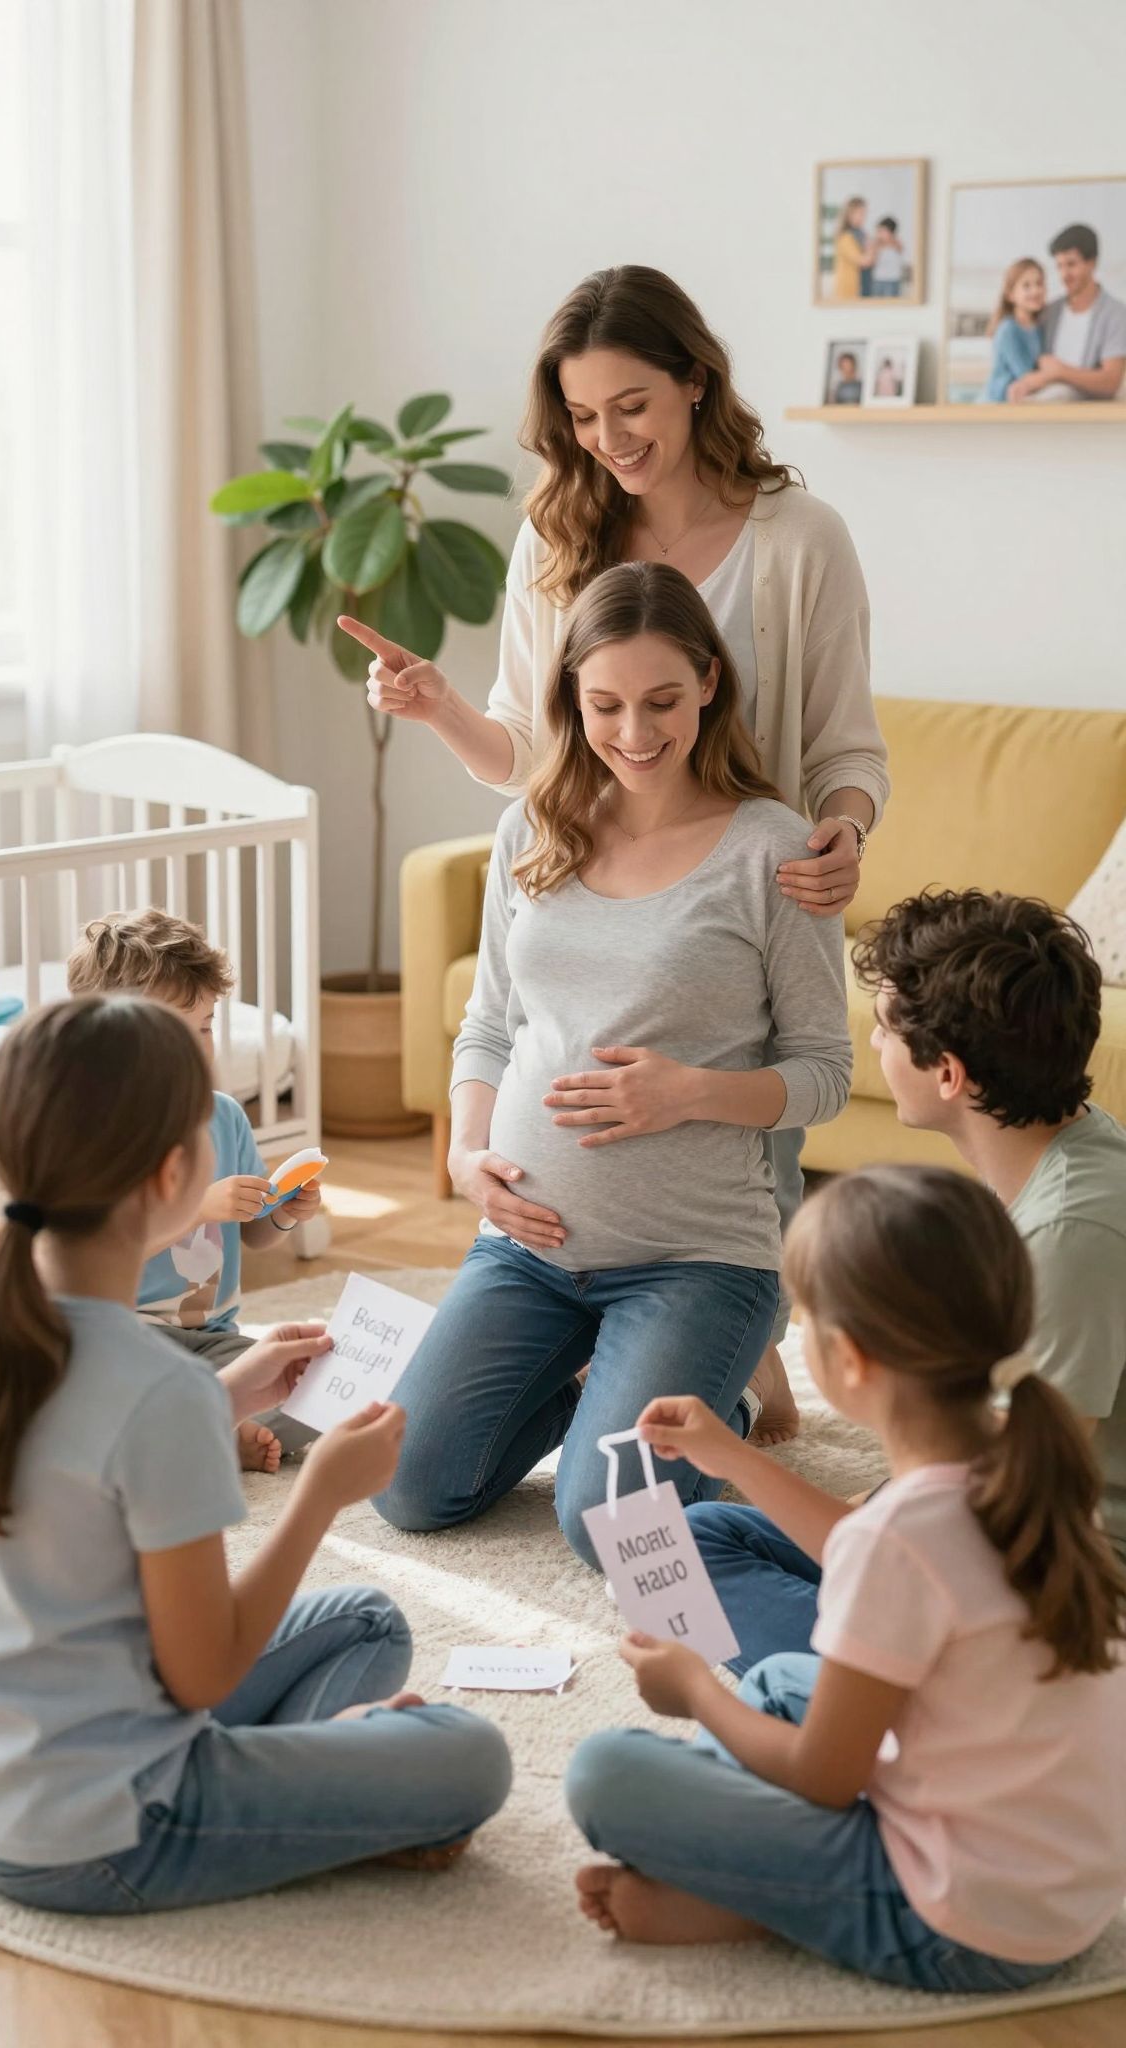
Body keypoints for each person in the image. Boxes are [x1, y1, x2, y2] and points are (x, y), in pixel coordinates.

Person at [340, 264, 889, 1443]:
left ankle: (719, 1342)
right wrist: (440, 707)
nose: (609, 439)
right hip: (603, 875)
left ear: (696, 381)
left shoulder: (799, 540)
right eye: (583, 418)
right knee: (426, 1463)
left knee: (735, 1176)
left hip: (753, 894)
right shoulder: (559, 530)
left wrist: (842, 827)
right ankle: (693, 1360)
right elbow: (535, 760)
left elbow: (847, 742)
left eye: (631, 406)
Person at [0, 996, 511, 1915]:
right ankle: (324, 1790)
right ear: (179, 1170)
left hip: (3, 1791)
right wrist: (322, 1498)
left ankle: (318, 1777)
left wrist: (225, 1393)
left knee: (370, 1620)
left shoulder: (8, 1335)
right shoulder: (155, 1389)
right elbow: (204, 1674)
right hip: (113, 1829)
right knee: (474, 1754)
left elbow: (80, 1466)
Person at [371, 563, 851, 1568]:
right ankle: (604, 1371)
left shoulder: (775, 850)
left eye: (662, 700)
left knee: (608, 1526)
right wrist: (466, 1151)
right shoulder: (528, 831)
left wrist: (689, 1090)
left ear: (710, 683)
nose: (635, 730)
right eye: (605, 704)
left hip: (696, 1259)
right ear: (571, 699)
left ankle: (700, 1372)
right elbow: (490, 1025)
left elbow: (824, 1071)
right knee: (410, 1486)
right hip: (528, 1249)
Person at [566, 1166, 1126, 1990]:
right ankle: (765, 1880)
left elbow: (825, 1781)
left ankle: (751, 1902)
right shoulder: (1026, 1466)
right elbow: (873, 1551)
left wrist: (695, 1692)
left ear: (851, 1360)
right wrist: (726, 1454)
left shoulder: (901, 1535)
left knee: (606, 1773)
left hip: (958, 1924)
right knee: (789, 1675)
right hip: (1061, 1894)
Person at [686, 888, 1126, 1680]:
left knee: (697, 1572)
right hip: (988, 1522)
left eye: (886, 1030)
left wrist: (867, 1536)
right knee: (703, 1538)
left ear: (948, 1073)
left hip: (1068, 1580)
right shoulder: (1072, 1149)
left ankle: (904, 1690)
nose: (875, 1045)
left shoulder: (1070, 1234)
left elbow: (1015, 1503)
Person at [67, 911, 323, 1472]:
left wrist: (282, 1214)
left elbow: (253, 1238)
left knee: (316, 1383)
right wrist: (196, 1209)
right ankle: (209, 1429)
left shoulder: (223, 1117)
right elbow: (93, 1258)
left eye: (204, 1027)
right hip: (122, 1340)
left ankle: (205, 1424)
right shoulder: (94, 1131)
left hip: (213, 1344)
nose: (197, 1047)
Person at [1008, 224, 1126, 403]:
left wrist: (1060, 372)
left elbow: (1111, 381)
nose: (1064, 274)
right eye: (1059, 266)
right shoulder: (1050, 312)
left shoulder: (1115, 314)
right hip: (1044, 401)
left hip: (1080, 411)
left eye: (1071, 264)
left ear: (1091, 263)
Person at [984, 258, 1047, 402]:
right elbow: (1025, 375)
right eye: (1027, 286)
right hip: (999, 404)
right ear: (1011, 295)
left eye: (1039, 283)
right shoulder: (1009, 330)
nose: (1036, 290)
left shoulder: (1038, 328)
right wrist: (1057, 373)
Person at [831, 199, 876, 301]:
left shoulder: (861, 235)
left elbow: (872, 262)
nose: (863, 217)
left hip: (862, 288)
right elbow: (865, 261)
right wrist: (872, 246)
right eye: (860, 213)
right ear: (849, 214)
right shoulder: (845, 237)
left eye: (864, 213)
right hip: (848, 292)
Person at [869, 216, 905, 297]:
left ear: (890, 232)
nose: (879, 234)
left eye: (882, 231)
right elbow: (872, 262)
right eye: (879, 231)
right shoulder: (876, 245)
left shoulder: (897, 244)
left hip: (892, 281)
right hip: (878, 280)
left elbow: (899, 250)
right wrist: (874, 248)